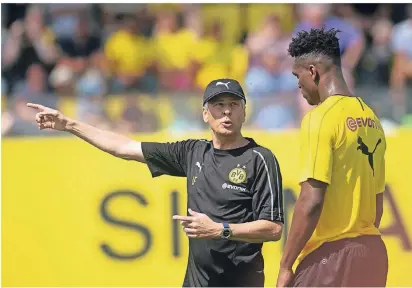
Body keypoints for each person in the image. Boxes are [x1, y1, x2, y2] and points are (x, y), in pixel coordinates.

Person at [27, 78, 284, 287]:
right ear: (206, 114)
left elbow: (273, 229)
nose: (226, 111)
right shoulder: (193, 152)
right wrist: (69, 124)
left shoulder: (260, 159)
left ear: (244, 111)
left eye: (233, 104)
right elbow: (124, 147)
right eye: (218, 105)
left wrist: (220, 229)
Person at [276, 27, 388, 287]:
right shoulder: (371, 119)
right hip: (372, 253)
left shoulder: (320, 118)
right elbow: (377, 205)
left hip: (332, 257)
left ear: (313, 71)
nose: (298, 85)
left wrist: (285, 265)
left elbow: (312, 200)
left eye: (298, 76)